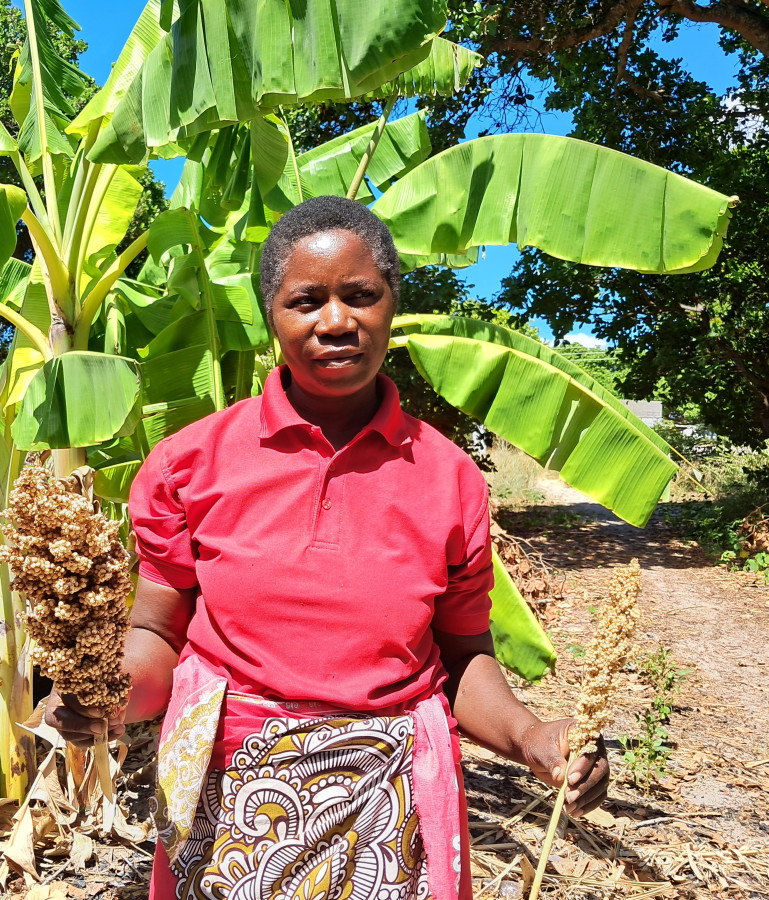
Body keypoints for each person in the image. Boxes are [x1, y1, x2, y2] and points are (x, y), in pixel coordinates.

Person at [46, 195, 609, 899]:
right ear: (271, 315)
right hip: (229, 798)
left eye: (362, 295)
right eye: (306, 300)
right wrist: (109, 695)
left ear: (391, 303)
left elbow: (464, 658)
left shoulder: (447, 478)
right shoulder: (190, 463)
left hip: (389, 804)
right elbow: (159, 632)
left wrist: (532, 738)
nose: (336, 321)